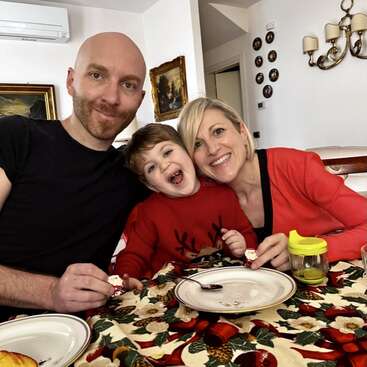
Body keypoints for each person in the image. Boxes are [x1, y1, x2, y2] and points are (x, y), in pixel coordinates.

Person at [0, 32, 148, 321]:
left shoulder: (133, 174)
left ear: (140, 99)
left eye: (128, 84)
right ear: (71, 80)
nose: (111, 97)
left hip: (84, 337)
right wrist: (50, 292)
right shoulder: (16, 137)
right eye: (97, 75)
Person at [178, 97, 367, 270]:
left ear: (242, 132)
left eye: (218, 131)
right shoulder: (206, 196)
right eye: (197, 144)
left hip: (332, 278)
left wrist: (303, 250)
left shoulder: (296, 165)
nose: (212, 149)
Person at [114, 123, 257, 282]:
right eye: (151, 167)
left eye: (167, 152)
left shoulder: (223, 194)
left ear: (188, 152)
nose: (164, 165)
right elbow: (134, 255)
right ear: (150, 185)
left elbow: (247, 236)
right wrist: (126, 277)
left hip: (222, 280)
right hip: (172, 287)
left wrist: (241, 245)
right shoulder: (149, 211)